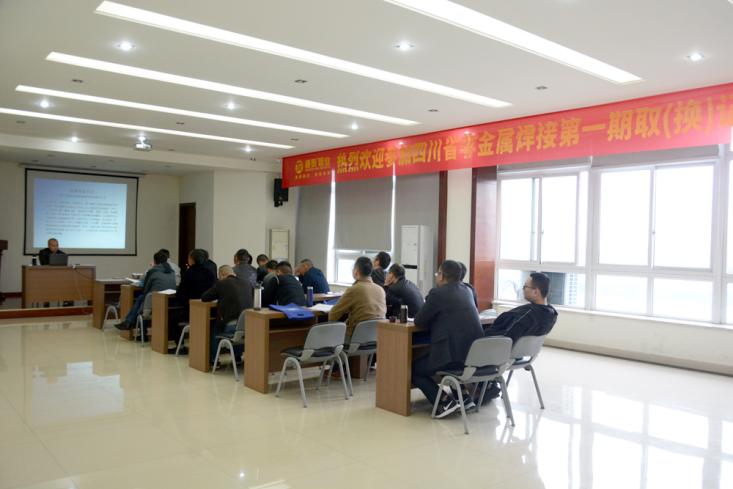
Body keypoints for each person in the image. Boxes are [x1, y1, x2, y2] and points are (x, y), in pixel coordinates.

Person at [411, 260, 484, 418]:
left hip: (453, 355)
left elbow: (419, 321)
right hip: (472, 354)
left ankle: (444, 402)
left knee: (414, 369)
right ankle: (464, 398)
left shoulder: (438, 293)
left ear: (442, 276)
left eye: (437, 273)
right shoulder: (467, 290)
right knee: (443, 357)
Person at [480, 272, 558, 405]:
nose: (523, 290)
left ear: (536, 291)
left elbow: (505, 340)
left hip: (497, 351)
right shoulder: (551, 314)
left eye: (525, 287)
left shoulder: (528, 315)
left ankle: (474, 387)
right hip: (521, 354)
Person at [202, 265, 253, 362]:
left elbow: (205, 297)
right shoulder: (247, 282)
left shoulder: (221, 283)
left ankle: (213, 360)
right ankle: (237, 358)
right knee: (238, 323)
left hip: (232, 326)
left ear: (221, 275)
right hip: (248, 324)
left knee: (215, 329)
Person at [115, 250, 176, 330]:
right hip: (170, 302)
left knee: (141, 298)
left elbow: (145, 288)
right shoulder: (172, 272)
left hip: (154, 302)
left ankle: (129, 323)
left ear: (155, 261)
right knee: (142, 299)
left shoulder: (153, 271)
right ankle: (129, 322)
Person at [328, 256, 386, 335]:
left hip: (355, 337)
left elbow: (333, 315)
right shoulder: (381, 290)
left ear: (356, 271)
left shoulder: (354, 289)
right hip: (376, 338)